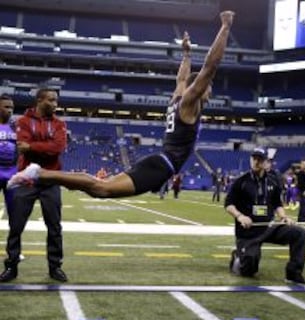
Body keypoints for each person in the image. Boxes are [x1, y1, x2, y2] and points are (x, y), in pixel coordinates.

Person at [7, 11, 235, 200]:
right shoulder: (188, 102)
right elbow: (210, 67)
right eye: (209, 86)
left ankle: (53, 177)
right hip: (162, 165)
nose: (211, 90)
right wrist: (225, 27)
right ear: (200, 88)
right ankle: (40, 173)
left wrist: (186, 54)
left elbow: (182, 80)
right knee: (102, 188)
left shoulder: (178, 98)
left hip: (159, 161)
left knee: (99, 188)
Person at [0, 88, 68, 282]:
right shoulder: (21, 122)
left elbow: (58, 148)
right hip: (26, 180)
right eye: (51, 100)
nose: (55, 104)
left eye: (56, 101)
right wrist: (40, 147)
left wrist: (33, 147)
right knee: (16, 226)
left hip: (51, 180)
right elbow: (23, 147)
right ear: (39, 100)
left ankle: (55, 267)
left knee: (54, 226)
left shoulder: (59, 124)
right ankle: (11, 266)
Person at [225, 147, 305, 284]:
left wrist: (283, 217)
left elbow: (277, 203)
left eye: (260, 159)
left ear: (266, 162)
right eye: (254, 158)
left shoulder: (273, 181)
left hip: (268, 228)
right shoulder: (241, 181)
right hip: (248, 232)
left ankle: (293, 274)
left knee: (299, 232)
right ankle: (237, 257)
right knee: (249, 270)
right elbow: (228, 204)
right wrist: (240, 216)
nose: (256, 162)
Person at [0, 94, 17, 219]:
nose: (10, 110)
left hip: (12, 173)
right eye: (6, 107)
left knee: (15, 212)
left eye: (11, 107)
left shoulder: (17, 127)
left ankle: (15, 239)